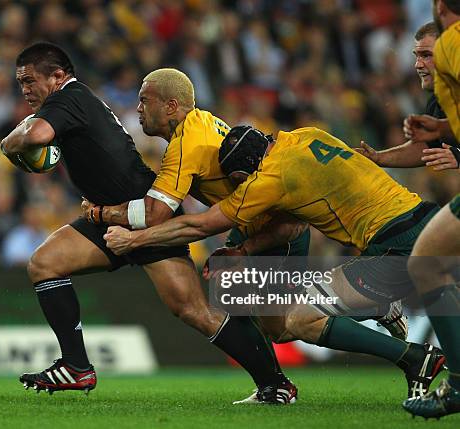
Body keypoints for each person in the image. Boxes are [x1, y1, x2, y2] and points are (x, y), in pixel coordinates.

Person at [87, 69, 443, 401]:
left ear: (171, 105)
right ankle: (278, 383)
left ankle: (406, 353)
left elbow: (187, 221)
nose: (137, 109)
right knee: (264, 317)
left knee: (293, 322)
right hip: (393, 217)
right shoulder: (301, 134)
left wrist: (125, 232)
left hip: (311, 236)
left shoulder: (254, 176)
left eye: (144, 100)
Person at [0, 42, 295, 399]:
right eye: (21, 83)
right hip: (109, 214)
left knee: (194, 311)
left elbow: (35, 136)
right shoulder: (70, 101)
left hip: (144, 214)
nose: (26, 90)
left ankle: (275, 384)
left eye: (30, 81)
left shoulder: (68, 98)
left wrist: (9, 142)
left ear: (58, 76)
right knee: (44, 264)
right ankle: (76, 367)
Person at [401, 0, 460, 419]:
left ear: (440, 8)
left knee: (426, 264)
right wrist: (442, 132)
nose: (422, 62)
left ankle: (457, 386)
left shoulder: (454, 44)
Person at [357, 21, 460, 170]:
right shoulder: (437, 101)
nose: (417, 64)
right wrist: (378, 157)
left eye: (426, 55)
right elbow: (426, 147)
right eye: (417, 56)